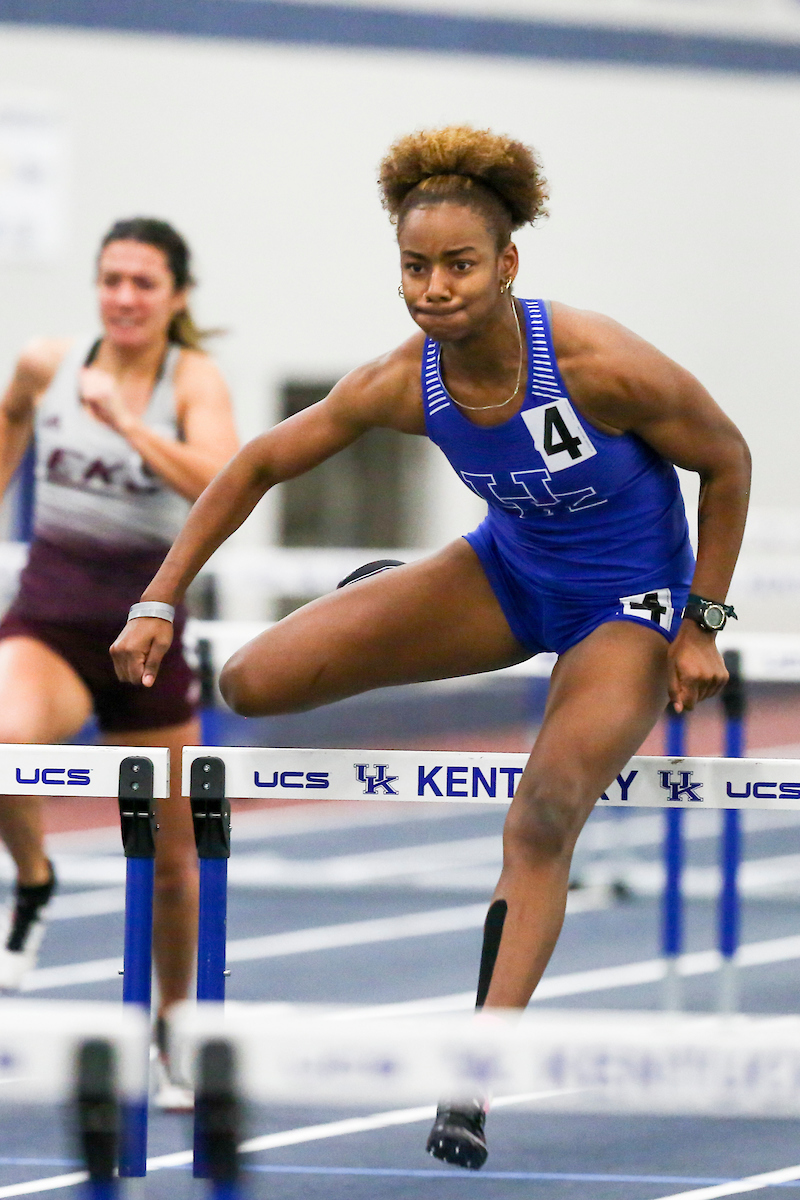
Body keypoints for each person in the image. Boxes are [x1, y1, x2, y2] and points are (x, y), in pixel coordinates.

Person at [110, 129, 750, 1160]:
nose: (435, 288)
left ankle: (473, 1073)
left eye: (458, 266)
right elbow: (256, 466)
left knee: (541, 812)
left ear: (505, 264)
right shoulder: (403, 381)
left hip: (623, 605)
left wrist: (699, 622)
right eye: (415, 267)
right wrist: (158, 597)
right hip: (503, 577)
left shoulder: (594, 363)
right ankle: (385, 601)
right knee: (252, 680)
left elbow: (726, 461)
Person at [0, 217, 238, 1105]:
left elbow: (221, 482)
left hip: (146, 638)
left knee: (173, 864)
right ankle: (33, 882)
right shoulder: (48, 361)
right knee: (3, 746)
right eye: (112, 280)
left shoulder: (194, 381)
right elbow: (13, 416)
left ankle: (174, 1031)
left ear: (177, 296)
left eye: (144, 283)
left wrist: (132, 425)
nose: (125, 298)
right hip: (52, 626)